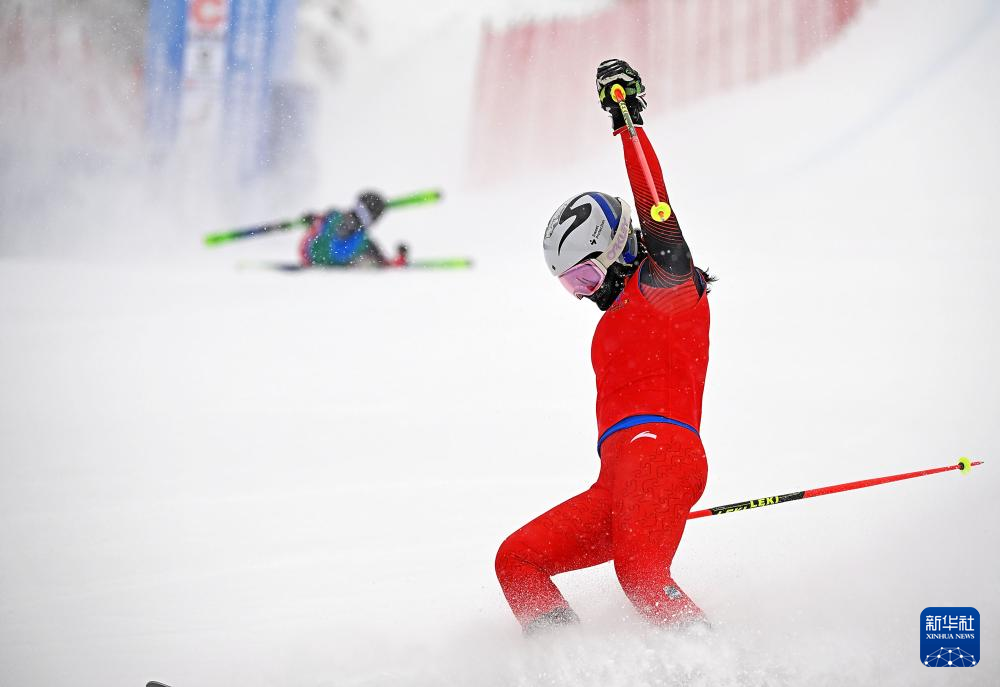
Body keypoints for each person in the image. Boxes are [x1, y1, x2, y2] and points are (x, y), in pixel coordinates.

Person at [495, 59, 715, 634]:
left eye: (586, 276)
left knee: (641, 577)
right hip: (616, 476)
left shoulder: (667, 286)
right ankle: (566, 665)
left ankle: (725, 665)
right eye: (571, 286)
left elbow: (656, 206)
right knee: (517, 560)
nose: (585, 294)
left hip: (662, 453)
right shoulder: (611, 320)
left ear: (616, 246)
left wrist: (627, 120)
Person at [299, 190, 408, 267]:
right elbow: (385, 264)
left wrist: (311, 219)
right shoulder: (363, 242)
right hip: (314, 256)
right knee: (366, 259)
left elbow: (318, 221)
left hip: (308, 251)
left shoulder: (334, 216)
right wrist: (401, 258)